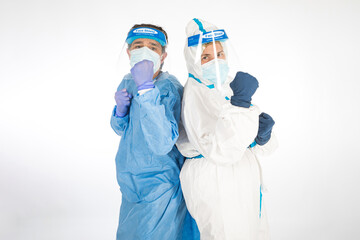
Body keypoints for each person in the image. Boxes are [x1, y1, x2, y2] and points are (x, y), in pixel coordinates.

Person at [176, 18, 279, 240]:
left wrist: (262, 138)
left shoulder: (227, 85)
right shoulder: (194, 94)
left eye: (219, 54)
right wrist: (241, 106)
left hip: (241, 177)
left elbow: (242, 137)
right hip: (215, 180)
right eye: (205, 57)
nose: (215, 62)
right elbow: (221, 151)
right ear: (193, 61)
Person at [110, 23, 199, 240]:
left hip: (160, 181)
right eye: (138, 45)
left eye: (153, 47)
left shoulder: (169, 86)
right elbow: (121, 129)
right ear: (129, 51)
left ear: (164, 55)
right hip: (130, 179)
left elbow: (163, 142)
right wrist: (119, 112)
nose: (144, 51)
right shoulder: (127, 80)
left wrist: (147, 89)